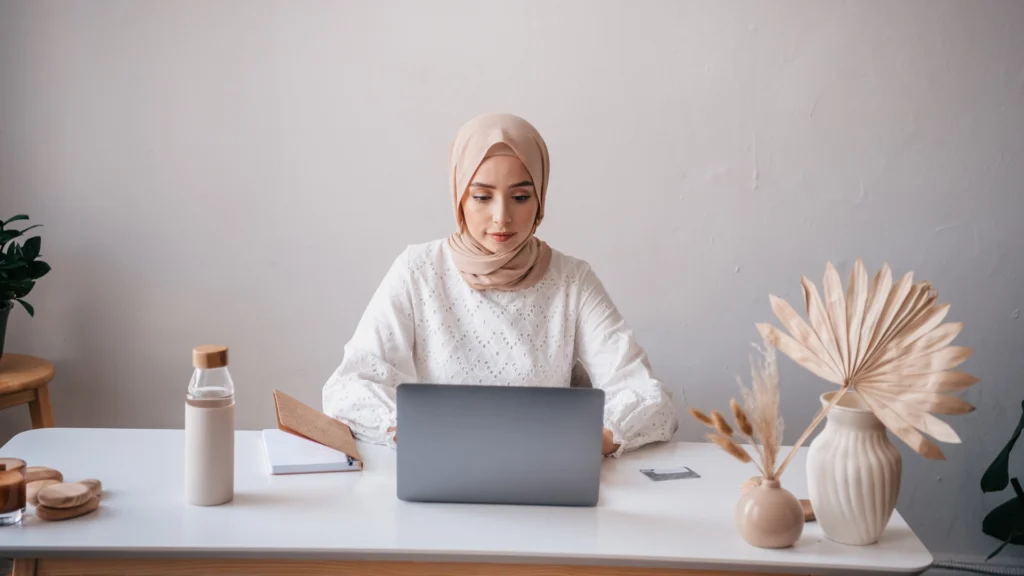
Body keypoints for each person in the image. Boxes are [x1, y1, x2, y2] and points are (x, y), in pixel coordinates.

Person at [322, 113, 679, 457]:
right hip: (441, 476)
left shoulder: (572, 280)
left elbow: (648, 397)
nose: (501, 216)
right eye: (481, 196)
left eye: (521, 197)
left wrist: (582, 446)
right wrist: (418, 434)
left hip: (544, 480)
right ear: (459, 196)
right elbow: (348, 388)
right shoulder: (417, 270)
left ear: (540, 197)